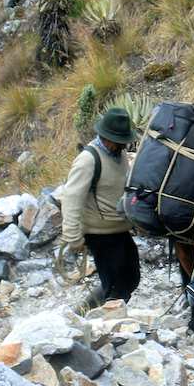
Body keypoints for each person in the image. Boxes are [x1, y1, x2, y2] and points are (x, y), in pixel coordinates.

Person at [59, 107, 141, 311]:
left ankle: (84, 311)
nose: (124, 144)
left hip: (119, 228)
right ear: (107, 137)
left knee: (131, 277)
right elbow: (71, 197)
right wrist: (72, 236)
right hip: (99, 233)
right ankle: (103, 325)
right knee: (117, 283)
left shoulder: (119, 154)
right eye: (120, 140)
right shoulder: (88, 160)